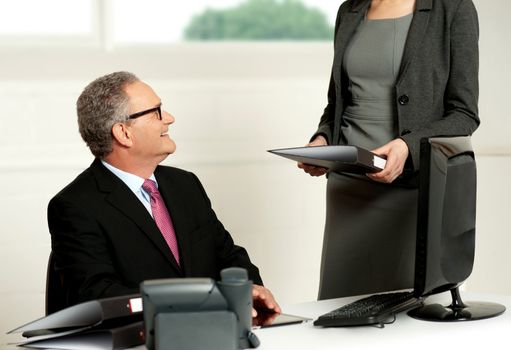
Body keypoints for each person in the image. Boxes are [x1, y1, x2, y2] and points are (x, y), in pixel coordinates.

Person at [48, 71, 280, 317]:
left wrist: (250, 287)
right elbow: (96, 295)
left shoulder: (184, 184)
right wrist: (194, 302)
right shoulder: (75, 206)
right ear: (123, 133)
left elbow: (227, 254)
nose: (169, 119)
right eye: (156, 112)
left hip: (211, 332)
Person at [298, 0, 479, 299]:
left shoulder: (453, 8)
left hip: (413, 186)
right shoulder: (350, 10)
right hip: (348, 186)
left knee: (411, 312)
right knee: (340, 308)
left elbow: (464, 114)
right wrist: (322, 141)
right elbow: (338, 104)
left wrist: (407, 146)